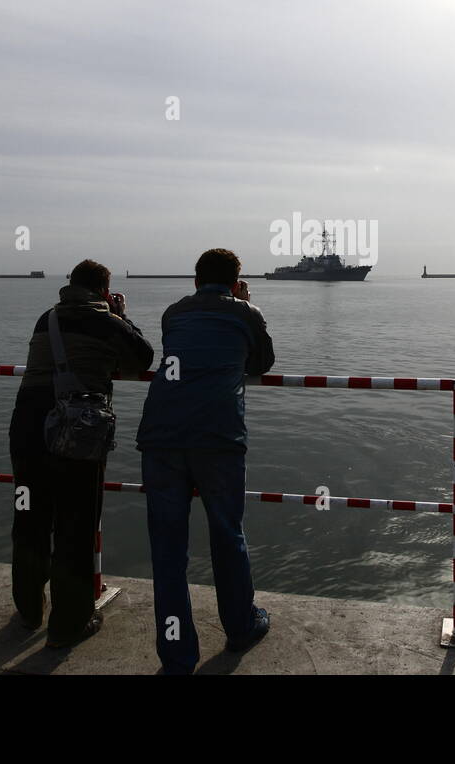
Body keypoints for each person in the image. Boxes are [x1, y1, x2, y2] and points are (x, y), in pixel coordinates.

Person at [135, 247, 276, 674]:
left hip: (160, 435)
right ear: (237, 282)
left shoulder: (174, 312)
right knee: (227, 535)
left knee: (167, 550)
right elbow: (264, 362)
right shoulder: (245, 313)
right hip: (218, 438)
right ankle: (239, 627)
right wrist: (246, 305)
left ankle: (177, 657)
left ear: (194, 281)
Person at [8, 258, 153, 648]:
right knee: (75, 522)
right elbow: (143, 359)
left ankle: (27, 611)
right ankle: (69, 623)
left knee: (30, 518)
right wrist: (123, 315)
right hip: (75, 427)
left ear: (70, 284)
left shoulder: (46, 318)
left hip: (27, 422)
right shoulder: (106, 321)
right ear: (104, 291)